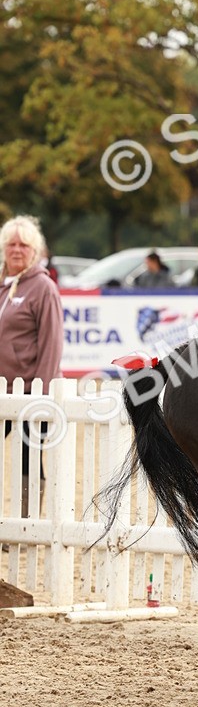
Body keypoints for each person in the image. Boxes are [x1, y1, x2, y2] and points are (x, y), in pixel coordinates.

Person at [0, 215, 64, 517]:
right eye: (11, 244)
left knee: (28, 457)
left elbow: (52, 343)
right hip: (1, 389)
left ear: (34, 250)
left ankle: (26, 520)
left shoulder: (43, 288)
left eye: (23, 245)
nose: (16, 250)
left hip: (28, 388)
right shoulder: (2, 284)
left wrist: (42, 392)